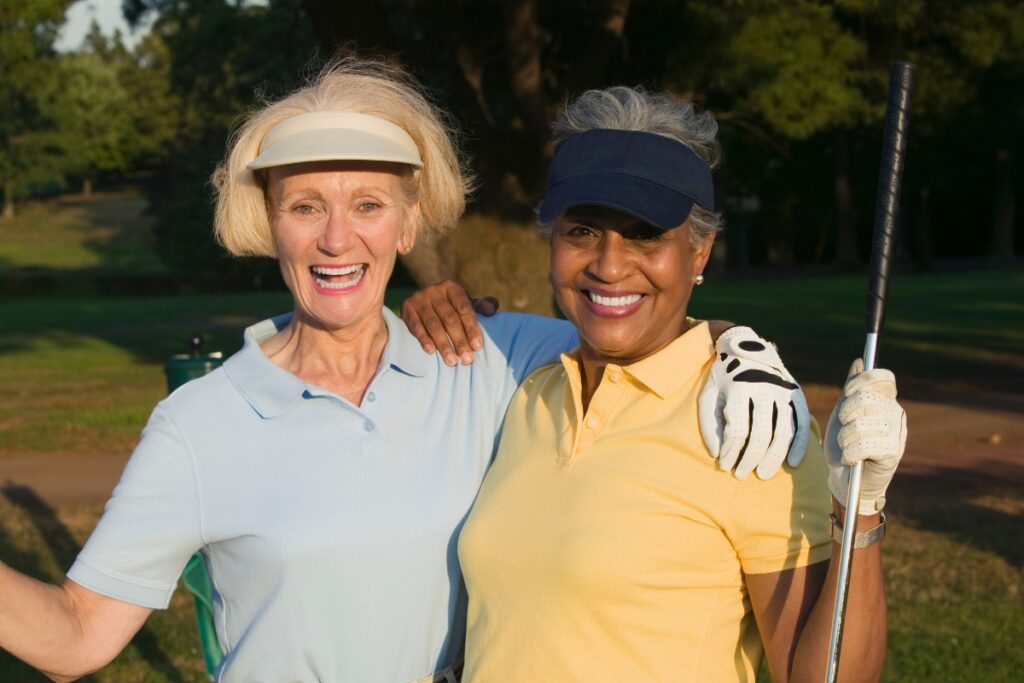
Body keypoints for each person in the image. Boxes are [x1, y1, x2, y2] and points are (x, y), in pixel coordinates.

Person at [0, 62, 808, 682]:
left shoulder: (490, 357)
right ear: (269, 223)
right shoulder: (199, 424)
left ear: (410, 220)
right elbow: (74, 637)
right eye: (305, 206)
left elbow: (628, 312)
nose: (336, 239)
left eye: (368, 205)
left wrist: (739, 344)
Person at [434, 87, 905, 682]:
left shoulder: (749, 422)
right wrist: (433, 301)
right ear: (550, 243)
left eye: (645, 235)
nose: (609, 265)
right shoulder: (532, 390)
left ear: (700, 250)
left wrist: (859, 511)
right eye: (582, 231)